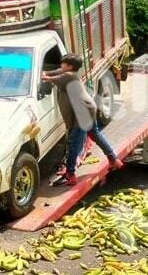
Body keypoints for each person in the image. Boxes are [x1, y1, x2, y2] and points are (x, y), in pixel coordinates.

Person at [42, 54, 123, 186]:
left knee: (74, 143)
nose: (61, 65)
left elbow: (48, 78)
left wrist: (40, 75)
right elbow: (54, 72)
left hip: (82, 115)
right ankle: (113, 159)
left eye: (63, 64)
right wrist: (44, 72)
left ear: (69, 66)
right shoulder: (69, 73)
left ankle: (70, 174)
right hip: (87, 109)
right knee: (95, 135)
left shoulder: (68, 76)